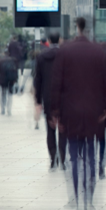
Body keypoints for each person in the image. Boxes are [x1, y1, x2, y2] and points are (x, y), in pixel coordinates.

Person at [51, 18, 106, 210]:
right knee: (90, 155)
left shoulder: (64, 51)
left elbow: (56, 85)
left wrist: (55, 113)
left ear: (75, 28)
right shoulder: (100, 53)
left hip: (70, 113)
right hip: (94, 113)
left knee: (74, 156)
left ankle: (78, 199)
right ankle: (89, 197)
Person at [34, 32, 66, 171]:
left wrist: (38, 101)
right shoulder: (66, 55)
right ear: (59, 40)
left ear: (48, 40)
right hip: (64, 98)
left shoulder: (41, 56)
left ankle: (53, 158)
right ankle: (63, 159)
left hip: (48, 97)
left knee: (50, 129)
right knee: (63, 129)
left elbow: (38, 80)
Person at [0, 51, 18, 116]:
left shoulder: (0, 61)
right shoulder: (14, 60)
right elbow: (16, 70)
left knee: (2, 94)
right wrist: (16, 79)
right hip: (11, 80)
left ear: (4, 54)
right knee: (10, 95)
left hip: (2, 80)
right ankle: (9, 110)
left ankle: (3, 109)